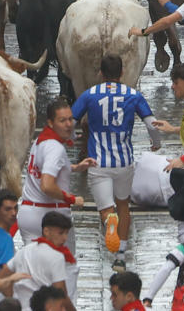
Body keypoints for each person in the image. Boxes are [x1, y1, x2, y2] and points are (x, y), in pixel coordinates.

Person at [71, 52, 171, 255]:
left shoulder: (89, 94)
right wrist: (156, 142)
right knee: (124, 205)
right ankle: (122, 252)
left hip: (97, 162)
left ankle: (109, 221)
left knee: (106, 209)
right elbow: (151, 123)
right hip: (125, 162)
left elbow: (71, 121)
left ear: (100, 73)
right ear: (122, 72)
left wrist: (66, 139)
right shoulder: (133, 95)